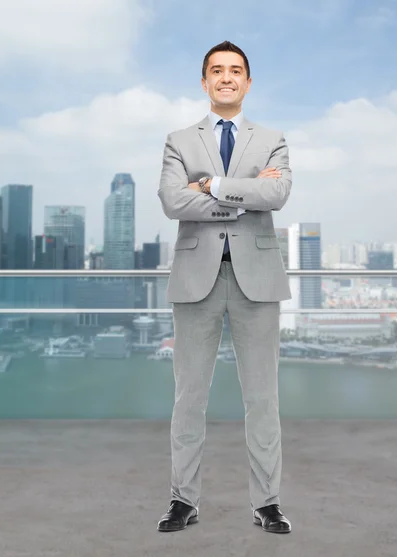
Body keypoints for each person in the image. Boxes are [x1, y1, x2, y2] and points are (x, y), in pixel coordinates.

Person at [156, 40, 293, 534]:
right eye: (217, 70)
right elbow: (172, 202)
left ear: (248, 82)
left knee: (263, 398)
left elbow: (276, 193)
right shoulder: (178, 139)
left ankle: (268, 503)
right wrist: (242, 195)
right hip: (197, 281)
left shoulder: (272, 138)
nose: (227, 77)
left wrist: (210, 186)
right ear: (204, 81)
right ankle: (182, 500)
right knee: (188, 398)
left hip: (257, 280)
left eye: (236, 71)